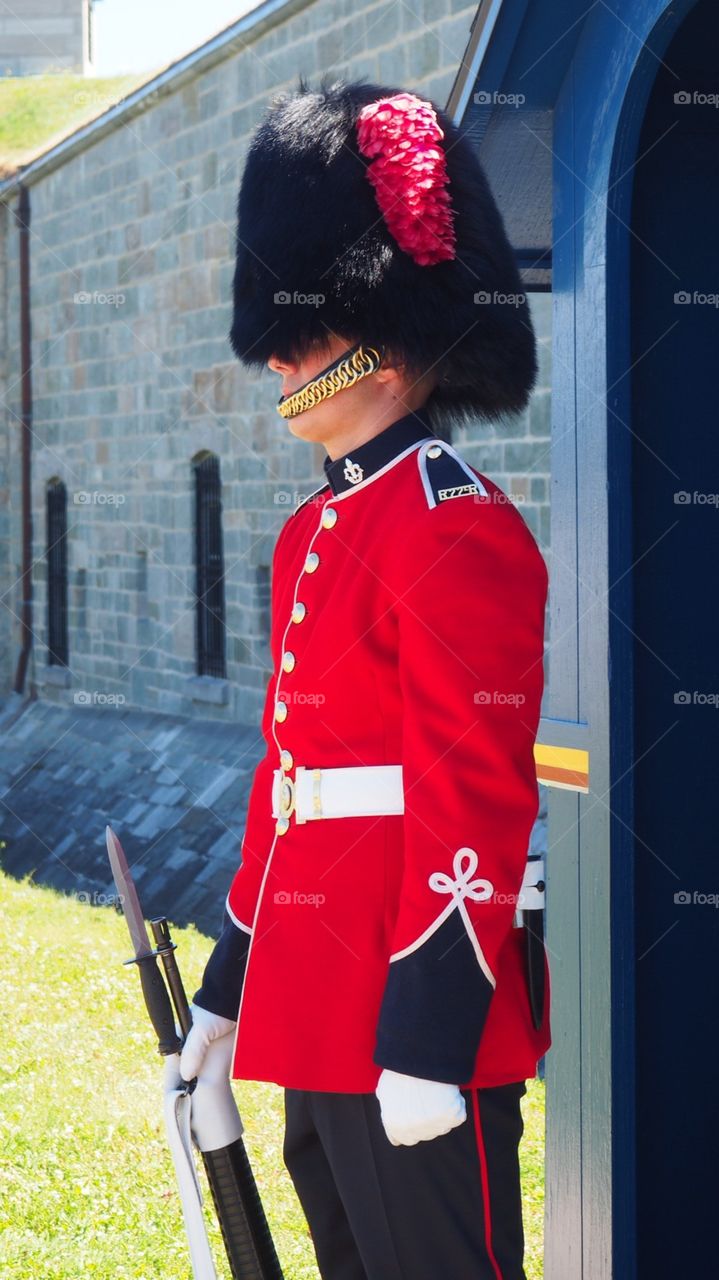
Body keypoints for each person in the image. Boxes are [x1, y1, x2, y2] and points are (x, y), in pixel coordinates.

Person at [179, 76, 550, 1280]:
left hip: (404, 1018)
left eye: (311, 331)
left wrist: (431, 1034)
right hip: (312, 993)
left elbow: (472, 797)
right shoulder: (316, 530)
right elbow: (286, 785)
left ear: (388, 334)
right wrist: (227, 989)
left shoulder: (455, 526)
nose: (282, 353)